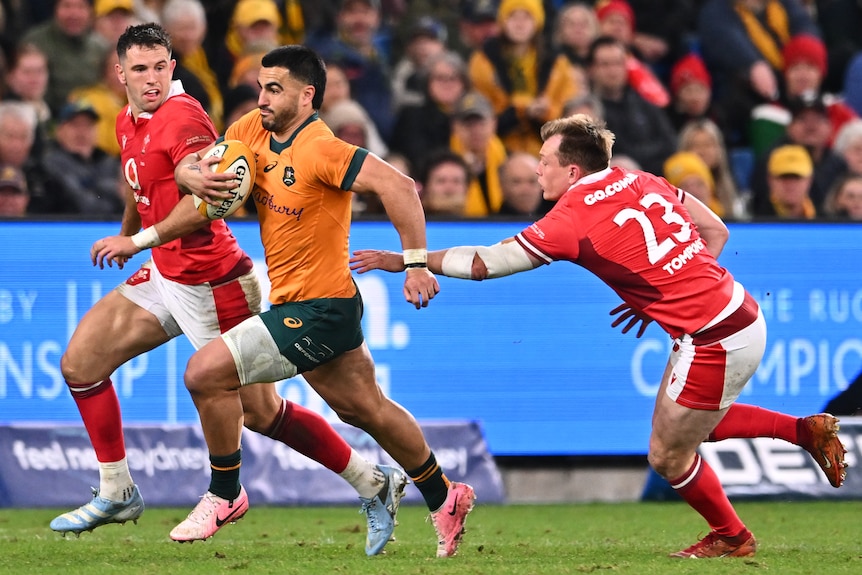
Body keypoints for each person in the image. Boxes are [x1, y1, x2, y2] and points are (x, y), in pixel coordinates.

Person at [350, 113, 848, 559]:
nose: (538, 169)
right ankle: (803, 432)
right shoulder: (641, 180)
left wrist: (407, 260)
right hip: (737, 314)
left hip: (714, 338)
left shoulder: (570, 218)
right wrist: (667, 293)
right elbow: (715, 232)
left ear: (572, 171)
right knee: (694, 425)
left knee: (667, 454)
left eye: (544, 160)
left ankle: (733, 536)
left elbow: (484, 263)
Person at [50, 24, 408, 558]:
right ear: (119, 73)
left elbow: (213, 191)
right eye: (140, 69)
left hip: (214, 282)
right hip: (166, 274)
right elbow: (140, 187)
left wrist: (169, 204)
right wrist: (132, 236)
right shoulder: (126, 118)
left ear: (174, 67)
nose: (152, 79)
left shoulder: (186, 118)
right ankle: (117, 490)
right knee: (80, 365)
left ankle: (369, 481)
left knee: (261, 414)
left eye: (161, 67)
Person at [158, 44, 474, 558]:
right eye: (261, 86)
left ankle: (224, 493)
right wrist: (188, 175)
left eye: (274, 89)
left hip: (320, 309)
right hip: (302, 303)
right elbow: (202, 168)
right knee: (364, 409)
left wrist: (415, 263)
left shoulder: (322, 149)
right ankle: (445, 496)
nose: (262, 97)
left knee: (204, 374)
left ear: (307, 96)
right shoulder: (248, 131)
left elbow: (400, 186)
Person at [42, 98, 124, 215]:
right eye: (75, 125)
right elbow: (81, 205)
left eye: (88, 126)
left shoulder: (110, 163)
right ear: (59, 131)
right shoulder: (51, 164)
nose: (82, 133)